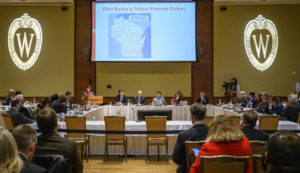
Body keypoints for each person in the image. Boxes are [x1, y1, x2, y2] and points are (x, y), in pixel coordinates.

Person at [35, 108, 83, 173]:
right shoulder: (71, 146)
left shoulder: (31, 146)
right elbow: (79, 170)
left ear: (38, 126)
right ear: (57, 125)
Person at [172, 104, 209, 173]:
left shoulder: (183, 136)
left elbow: (176, 159)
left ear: (191, 116)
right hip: (209, 169)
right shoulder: (213, 134)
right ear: (205, 117)